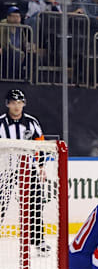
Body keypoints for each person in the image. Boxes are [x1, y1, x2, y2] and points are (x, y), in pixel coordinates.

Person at [0, 89, 50, 254]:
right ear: (8, 104)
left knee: (35, 205)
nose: (16, 106)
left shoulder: (31, 122)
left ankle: (38, 241)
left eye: (19, 103)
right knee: (1, 205)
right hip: (4, 171)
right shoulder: (0, 123)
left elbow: (40, 145)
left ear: (23, 104)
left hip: (28, 170)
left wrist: (41, 166)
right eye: (13, 103)